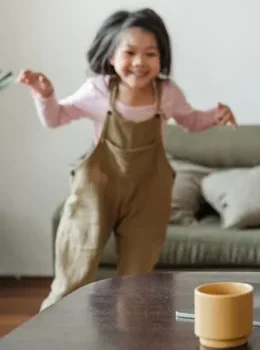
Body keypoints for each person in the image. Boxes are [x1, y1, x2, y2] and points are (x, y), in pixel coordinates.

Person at [17, 8, 238, 310]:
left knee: (136, 282)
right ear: (110, 56)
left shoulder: (167, 93)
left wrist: (215, 115)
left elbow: (191, 121)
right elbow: (56, 118)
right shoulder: (97, 90)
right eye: (130, 52)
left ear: (162, 58)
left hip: (147, 195)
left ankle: (129, 339)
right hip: (97, 191)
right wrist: (44, 96)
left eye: (150, 53)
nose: (139, 62)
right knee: (73, 273)